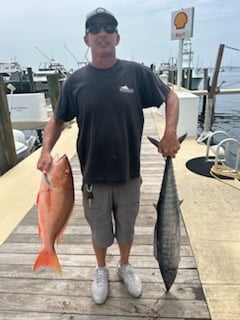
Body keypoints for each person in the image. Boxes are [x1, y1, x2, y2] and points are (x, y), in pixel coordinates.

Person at [37, 7, 180, 305]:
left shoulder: (136, 73)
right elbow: (58, 119)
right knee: (99, 230)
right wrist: (47, 149)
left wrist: (169, 132)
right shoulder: (75, 82)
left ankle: (124, 265)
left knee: (126, 227)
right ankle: (100, 269)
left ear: (117, 37)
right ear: (86, 39)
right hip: (93, 176)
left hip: (130, 173)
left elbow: (170, 96)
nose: (102, 33)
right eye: (95, 29)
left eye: (108, 28)